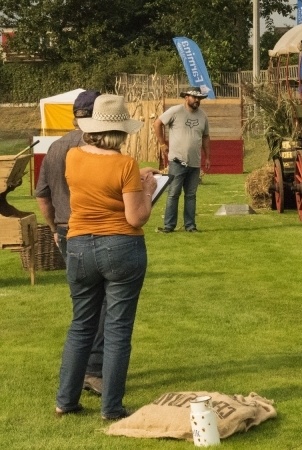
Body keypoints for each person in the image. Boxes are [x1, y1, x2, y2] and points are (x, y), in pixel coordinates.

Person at [55, 94, 158, 420]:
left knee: (81, 327)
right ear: (122, 131)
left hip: (79, 246)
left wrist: (135, 179)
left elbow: (97, 180)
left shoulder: (72, 156)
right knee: (116, 330)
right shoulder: (124, 165)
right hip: (121, 247)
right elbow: (136, 217)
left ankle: (65, 401)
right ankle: (111, 407)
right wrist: (148, 189)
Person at [35, 90, 105, 396]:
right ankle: (93, 370)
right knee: (101, 305)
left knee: (82, 305)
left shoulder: (56, 147)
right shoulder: (98, 146)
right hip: (96, 229)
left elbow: (43, 195)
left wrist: (52, 227)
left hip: (65, 229)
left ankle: (74, 379)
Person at [153, 87, 211, 233]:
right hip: (177, 161)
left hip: (194, 162)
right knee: (173, 193)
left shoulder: (203, 116)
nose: (197, 100)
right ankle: (169, 226)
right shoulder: (176, 111)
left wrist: (208, 157)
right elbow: (157, 123)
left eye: (199, 98)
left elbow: (205, 137)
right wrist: (162, 143)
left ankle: (190, 226)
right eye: (194, 97)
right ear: (186, 97)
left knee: (191, 195)